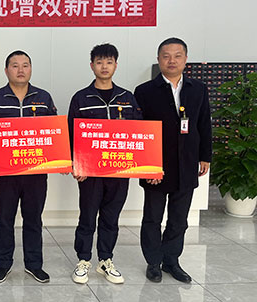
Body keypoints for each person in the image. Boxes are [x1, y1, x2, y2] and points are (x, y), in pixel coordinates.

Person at [134, 37, 212, 283]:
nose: (172, 61)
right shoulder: (145, 91)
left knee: (179, 218)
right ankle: (153, 262)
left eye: (177, 56)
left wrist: (205, 156)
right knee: (152, 218)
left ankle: (171, 261)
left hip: (187, 163)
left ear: (185, 59)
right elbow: (139, 132)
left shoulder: (198, 89)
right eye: (166, 56)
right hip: (156, 166)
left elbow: (204, 124)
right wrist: (146, 167)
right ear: (158, 59)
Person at [0, 50, 57, 283]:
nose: (20, 70)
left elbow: (53, 133)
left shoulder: (44, 98)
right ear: (6, 71)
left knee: (33, 218)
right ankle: (3, 264)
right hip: (4, 174)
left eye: (25, 65)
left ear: (31, 69)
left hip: (36, 173)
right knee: (5, 219)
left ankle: (34, 264)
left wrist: (60, 159)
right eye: (15, 65)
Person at [68, 43, 142, 285]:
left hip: (119, 170)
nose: (104, 66)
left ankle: (105, 260)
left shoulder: (127, 98)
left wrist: (142, 164)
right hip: (90, 173)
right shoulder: (81, 98)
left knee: (111, 217)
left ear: (116, 65)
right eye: (99, 62)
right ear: (92, 66)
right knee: (88, 217)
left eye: (109, 62)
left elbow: (138, 133)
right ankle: (83, 260)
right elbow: (72, 135)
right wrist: (76, 165)